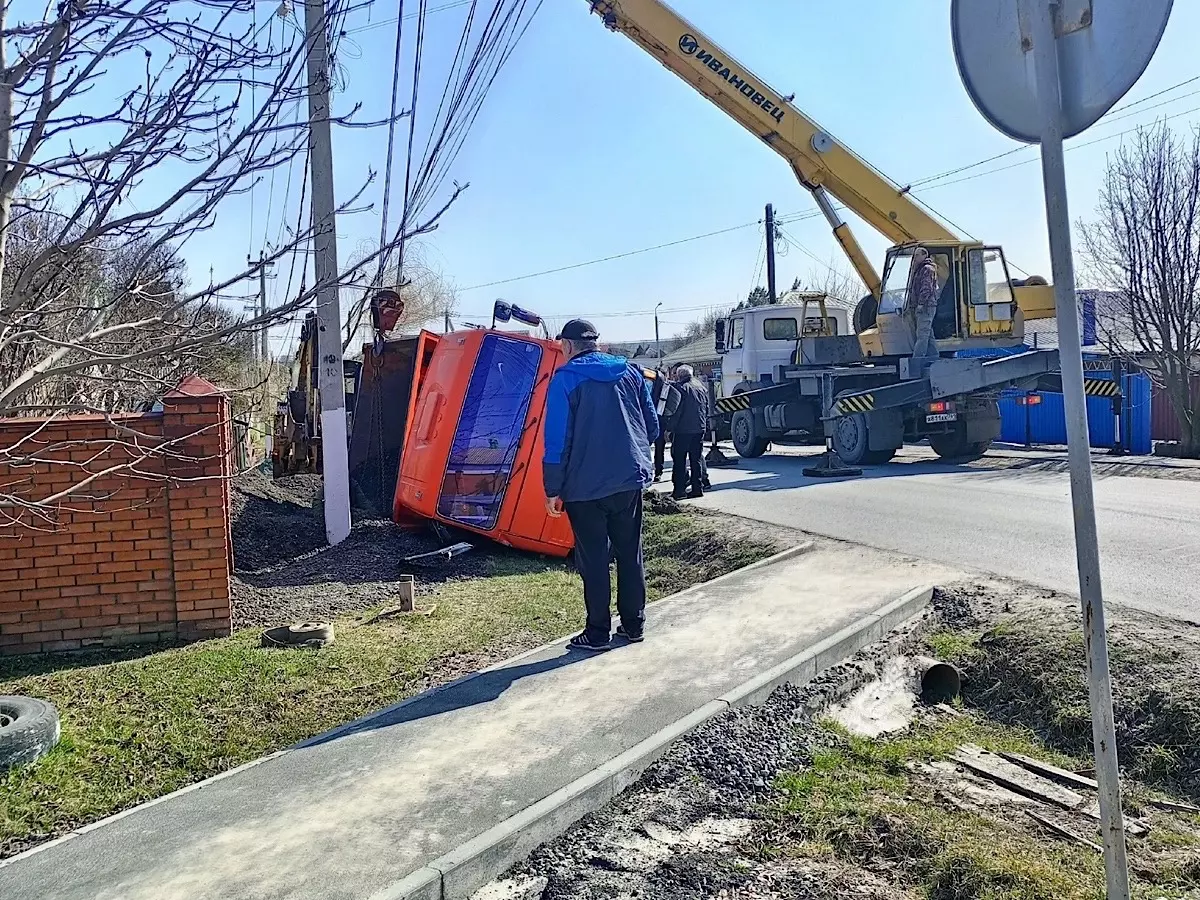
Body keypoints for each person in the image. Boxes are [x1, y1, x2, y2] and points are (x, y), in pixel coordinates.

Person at [543, 319, 660, 651]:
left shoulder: (565, 380)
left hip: (584, 487)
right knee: (630, 552)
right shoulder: (631, 372)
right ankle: (634, 625)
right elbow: (651, 427)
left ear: (566, 346)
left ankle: (597, 633)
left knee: (593, 558)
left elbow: (556, 441)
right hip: (628, 480)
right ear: (596, 343)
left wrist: (552, 488)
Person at [670, 364, 710, 500]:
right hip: (699, 428)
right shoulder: (701, 387)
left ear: (680, 375)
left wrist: (670, 428)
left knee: (679, 460)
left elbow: (677, 411)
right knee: (696, 459)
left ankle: (679, 490)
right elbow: (707, 407)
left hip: (683, 429)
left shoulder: (680, 388)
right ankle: (697, 488)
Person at [908, 246, 940, 374]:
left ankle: (916, 362)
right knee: (928, 334)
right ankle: (935, 358)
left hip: (926, 307)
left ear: (924, 255)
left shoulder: (927, 269)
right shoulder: (920, 270)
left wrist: (920, 304)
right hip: (925, 306)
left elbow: (926, 288)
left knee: (922, 335)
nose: (914, 258)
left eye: (917, 255)